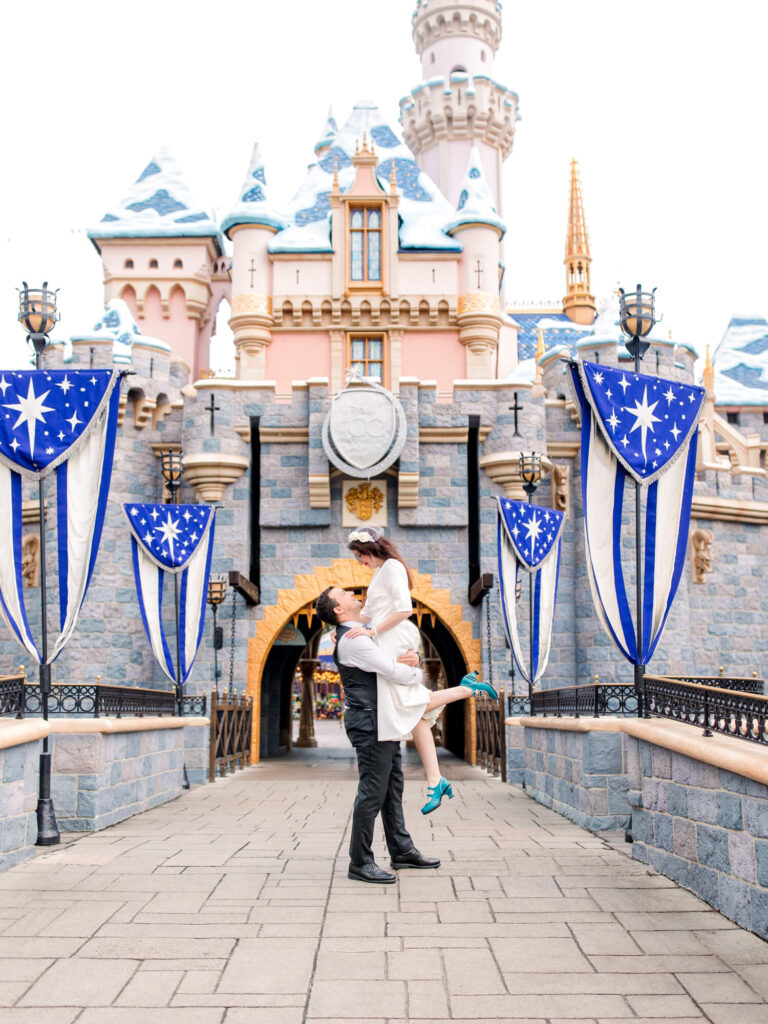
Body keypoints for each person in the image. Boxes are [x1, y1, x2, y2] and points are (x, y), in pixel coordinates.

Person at [345, 525, 496, 813]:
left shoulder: (391, 568)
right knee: (413, 712)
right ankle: (436, 780)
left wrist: (370, 631)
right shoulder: (380, 572)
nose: (359, 562)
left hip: (391, 636)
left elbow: (404, 609)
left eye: (359, 556)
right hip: (384, 636)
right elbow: (367, 612)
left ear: (370, 549)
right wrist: (346, 626)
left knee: (406, 703)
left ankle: (467, 689)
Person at [315, 584, 437, 883]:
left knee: (391, 787)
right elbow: (393, 671)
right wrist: (418, 674)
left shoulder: (362, 631)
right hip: (370, 722)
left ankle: (402, 850)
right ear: (338, 610)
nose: (351, 592)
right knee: (372, 791)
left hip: (380, 719)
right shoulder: (355, 640)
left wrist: (415, 659)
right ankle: (360, 862)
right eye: (343, 593)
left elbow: (397, 652)